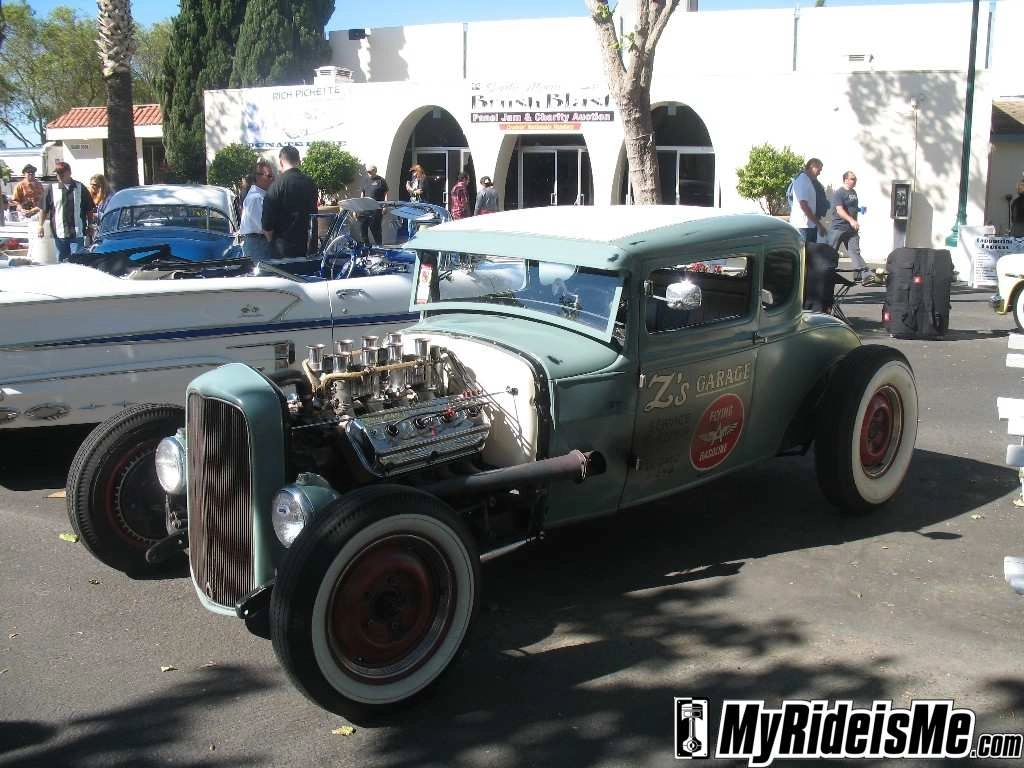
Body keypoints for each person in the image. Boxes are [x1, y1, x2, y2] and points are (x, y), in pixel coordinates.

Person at [262, 145, 318, 259]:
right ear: (299, 161)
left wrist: (272, 243)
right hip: (308, 246)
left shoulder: (276, 186)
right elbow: (314, 214)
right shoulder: (310, 183)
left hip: (283, 250)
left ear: (281, 162)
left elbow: (267, 224)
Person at [39, 161, 94, 261]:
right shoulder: (51, 189)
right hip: (59, 232)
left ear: (69, 172)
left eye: (62, 172)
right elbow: (43, 208)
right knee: (62, 261)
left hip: (77, 232)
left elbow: (89, 208)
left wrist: (90, 225)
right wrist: (40, 226)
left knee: (78, 260)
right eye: (57, 173)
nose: (59, 175)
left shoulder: (80, 187)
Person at [828, 170, 869, 281]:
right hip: (838, 228)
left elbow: (851, 207)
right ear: (846, 180)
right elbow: (839, 210)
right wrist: (851, 220)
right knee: (831, 252)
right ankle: (827, 273)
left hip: (851, 229)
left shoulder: (853, 192)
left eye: (855, 179)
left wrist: (859, 209)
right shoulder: (839, 193)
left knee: (855, 251)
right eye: (852, 179)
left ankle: (864, 275)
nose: (855, 181)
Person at [239, 159, 274, 262]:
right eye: (269, 176)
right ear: (258, 177)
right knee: (262, 272)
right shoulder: (256, 198)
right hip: (258, 243)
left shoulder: (260, 196)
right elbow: (265, 227)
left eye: (272, 176)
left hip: (258, 242)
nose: (273, 179)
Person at [790, 158, 826, 243]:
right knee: (806, 251)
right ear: (812, 166)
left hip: (808, 226)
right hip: (803, 226)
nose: (819, 173)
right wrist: (818, 224)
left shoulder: (807, 180)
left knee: (810, 251)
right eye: (819, 170)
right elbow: (803, 205)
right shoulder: (803, 180)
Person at [359, 164, 389, 244]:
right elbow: (362, 194)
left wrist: (385, 206)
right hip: (365, 209)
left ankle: (379, 247)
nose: (369, 173)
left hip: (376, 210)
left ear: (375, 171)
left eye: (370, 172)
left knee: (376, 230)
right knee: (363, 229)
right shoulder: (365, 180)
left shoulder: (381, 180)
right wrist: (359, 206)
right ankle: (366, 247)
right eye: (368, 172)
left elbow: (386, 194)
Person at [87, 174, 112, 242]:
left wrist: (96, 215)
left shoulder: (108, 198)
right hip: (93, 230)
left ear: (101, 186)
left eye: (95, 184)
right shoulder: (90, 196)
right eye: (91, 184)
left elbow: (109, 215)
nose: (92, 187)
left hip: (106, 229)